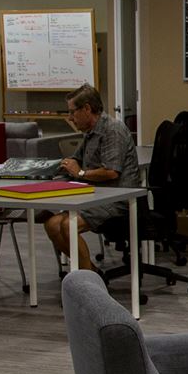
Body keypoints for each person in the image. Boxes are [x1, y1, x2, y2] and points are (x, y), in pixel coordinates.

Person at [46, 84, 140, 271]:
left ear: (87, 109)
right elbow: (76, 159)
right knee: (52, 225)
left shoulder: (112, 130)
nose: (70, 118)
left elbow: (111, 172)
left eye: (72, 112)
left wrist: (80, 173)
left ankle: (87, 277)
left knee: (68, 226)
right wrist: (58, 167)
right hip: (96, 196)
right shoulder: (91, 132)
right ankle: (91, 272)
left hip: (117, 199)